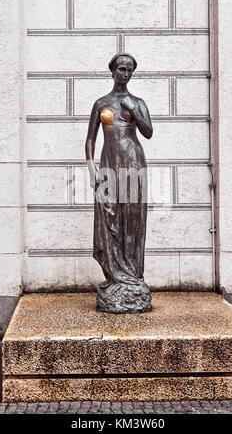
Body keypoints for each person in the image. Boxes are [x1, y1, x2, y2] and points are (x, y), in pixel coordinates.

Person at [85, 53, 153, 313]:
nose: (125, 74)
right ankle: (115, 274)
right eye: (121, 69)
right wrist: (91, 167)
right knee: (108, 216)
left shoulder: (137, 102)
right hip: (108, 164)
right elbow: (90, 138)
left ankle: (133, 275)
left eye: (129, 70)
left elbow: (148, 132)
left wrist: (134, 110)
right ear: (112, 71)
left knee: (132, 219)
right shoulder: (101, 103)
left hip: (134, 162)